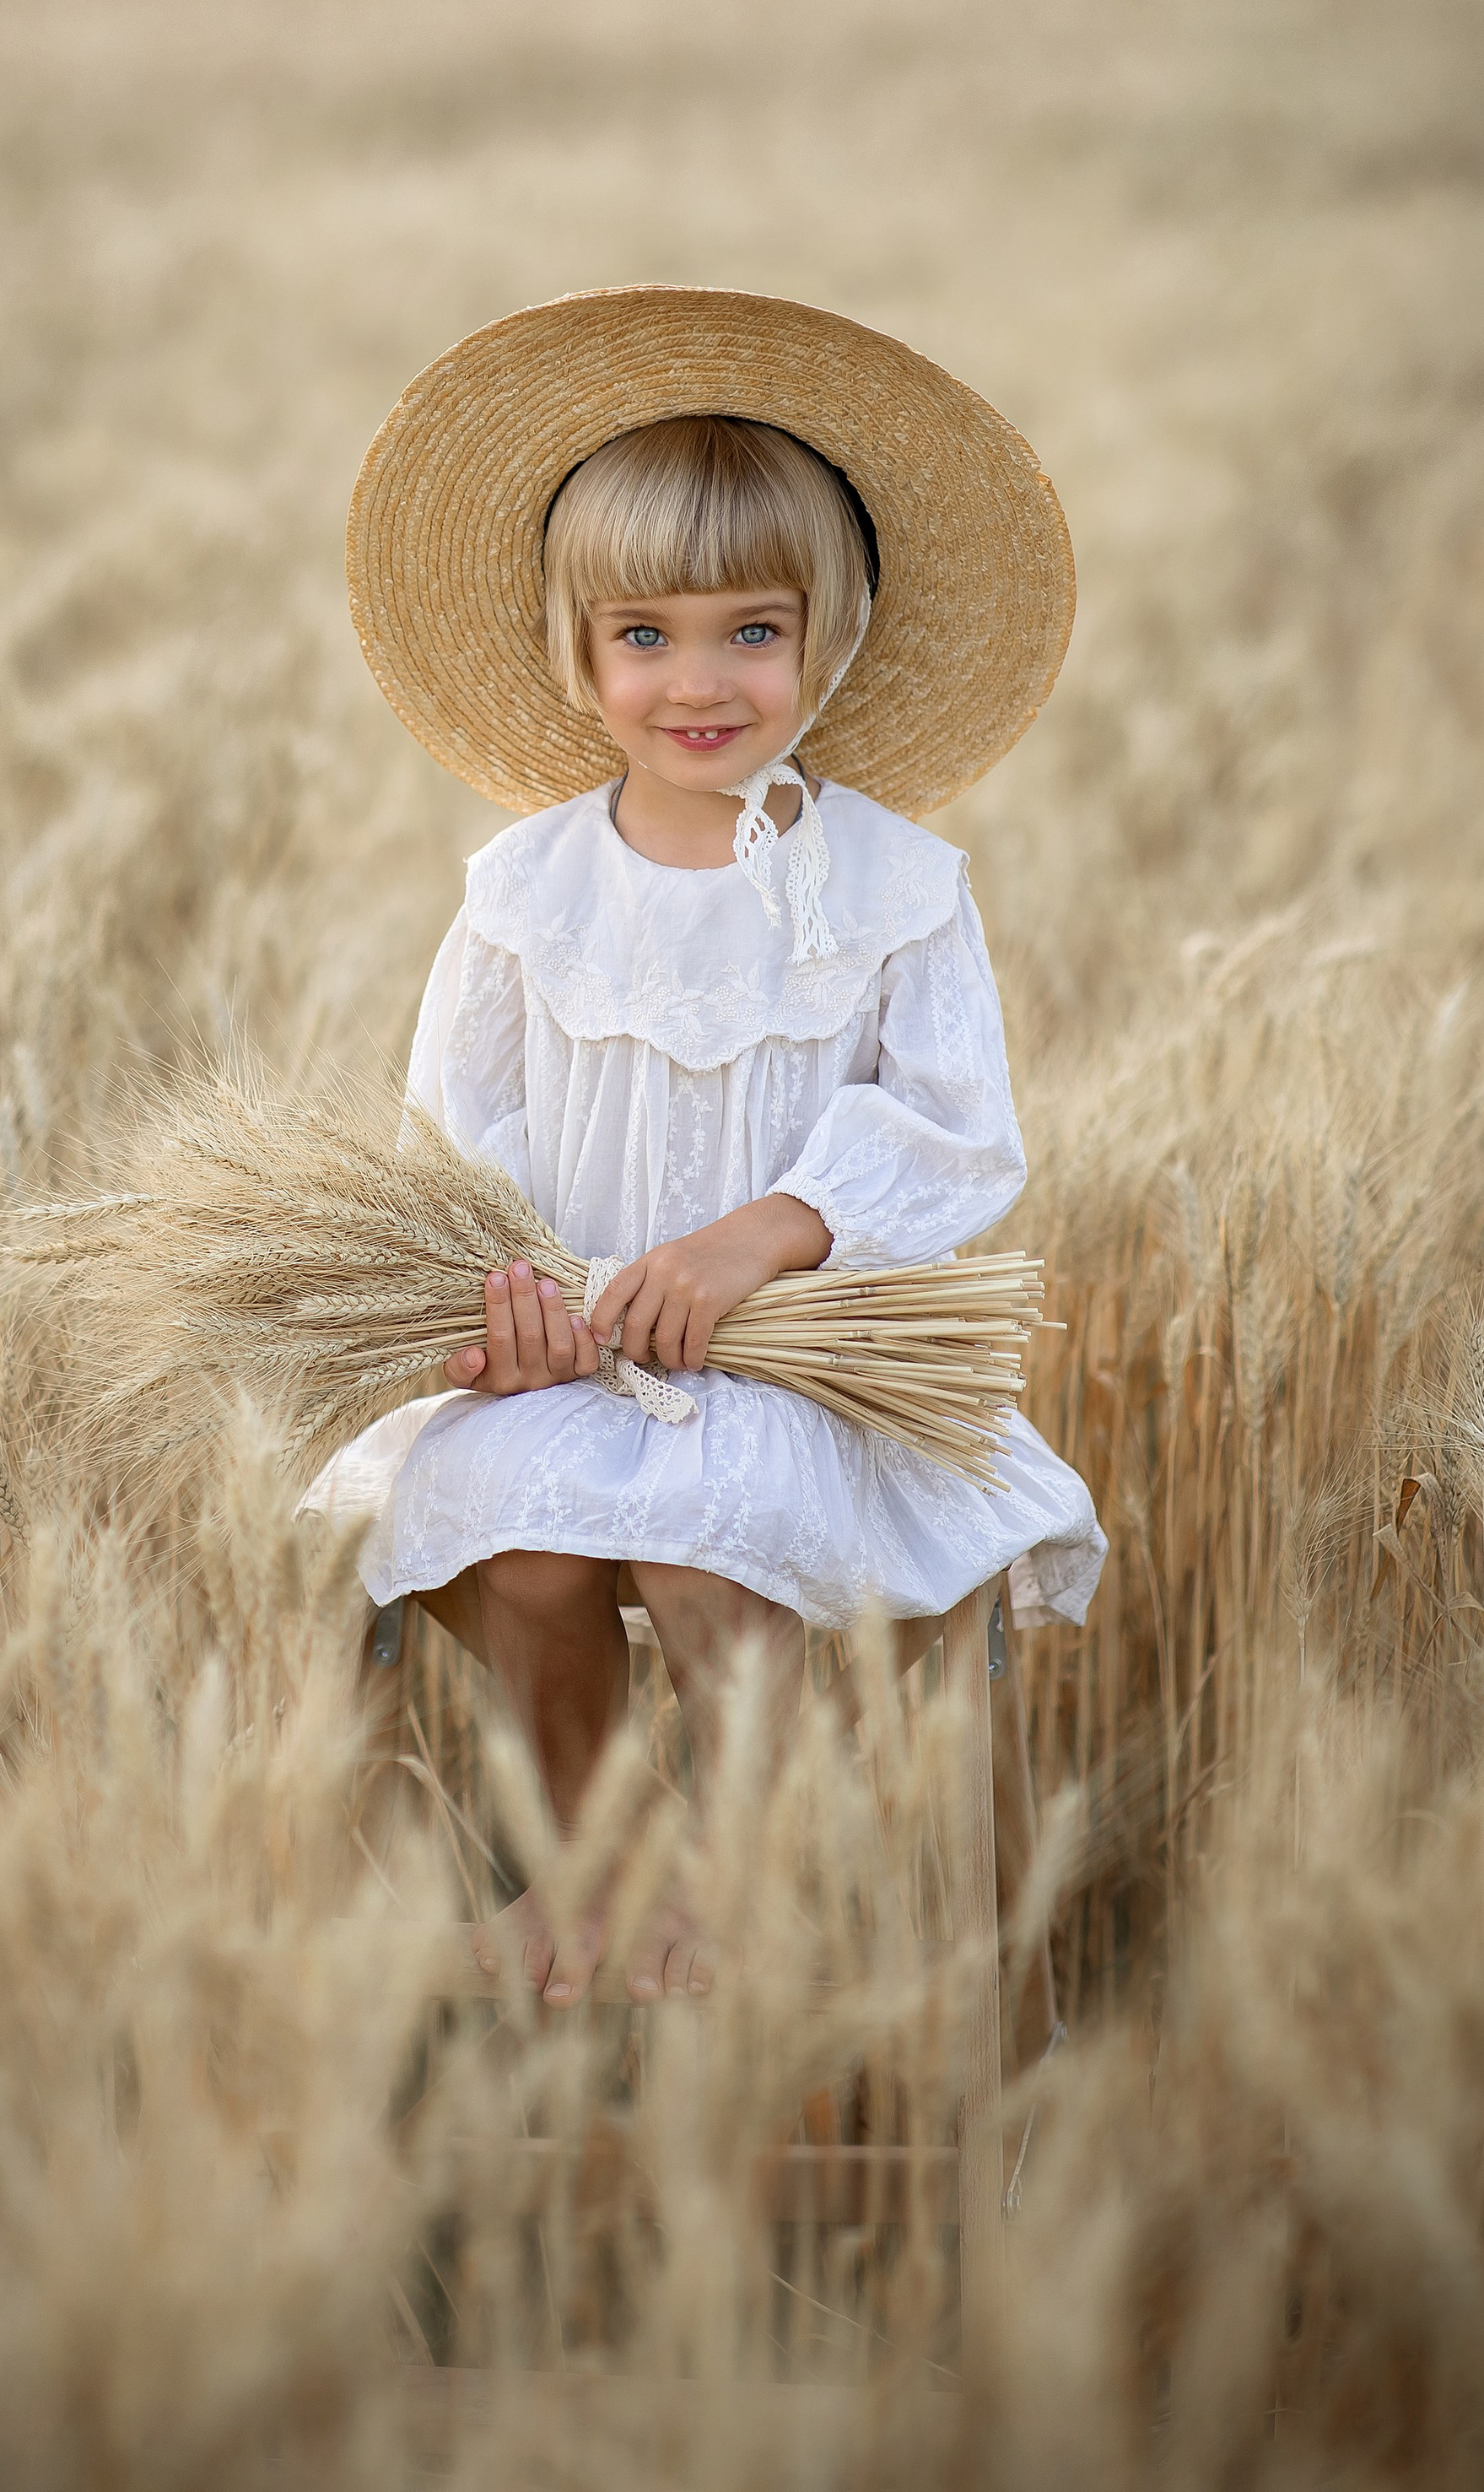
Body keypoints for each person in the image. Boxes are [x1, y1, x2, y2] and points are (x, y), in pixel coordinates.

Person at [303, 284, 1106, 2005]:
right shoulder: (523, 893)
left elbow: (958, 1132)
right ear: (575, 656)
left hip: (802, 1362)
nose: (699, 679)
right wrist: (506, 1298)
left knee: (704, 1545)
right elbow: (450, 1139)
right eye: (644, 634)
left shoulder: (893, 888)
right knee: (519, 1547)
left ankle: (730, 1905)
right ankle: (601, 1887)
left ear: (834, 640)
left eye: (754, 631)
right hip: (567, 1356)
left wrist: (761, 1238)